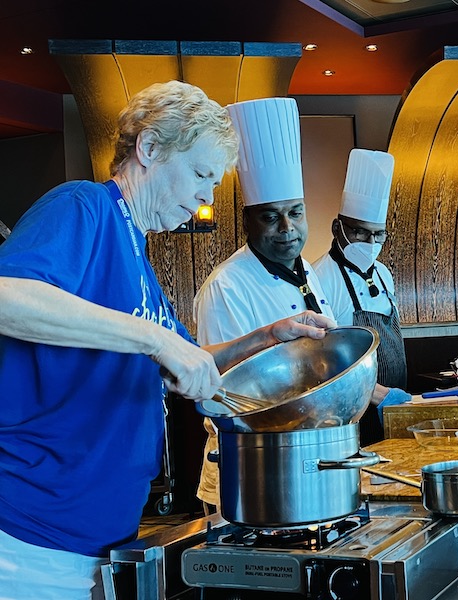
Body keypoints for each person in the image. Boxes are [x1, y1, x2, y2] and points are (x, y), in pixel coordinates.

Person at [0, 80, 333, 600]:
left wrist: (269, 336)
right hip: (30, 539)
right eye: (201, 174)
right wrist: (154, 338)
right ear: (149, 149)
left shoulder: (139, 257)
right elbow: (7, 298)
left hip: (98, 537)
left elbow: (191, 364)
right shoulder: (83, 207)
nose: (206, 195)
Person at [193, 97, 336, 511]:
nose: (287, 229)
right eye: (270, 217)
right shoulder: (227, 287)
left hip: (305, 457)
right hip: (246, 470)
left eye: (295, 213)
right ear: (247, 221)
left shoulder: (307, 269)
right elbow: (219, 389)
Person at [313, 148, 411, 445]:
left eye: (377, 235)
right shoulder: (319, 278)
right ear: (337, 228)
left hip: (394, 408)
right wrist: (381, 396)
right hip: (351, 413)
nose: (369, 243)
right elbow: (324, 362)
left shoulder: (383, 273)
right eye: (359, 232)